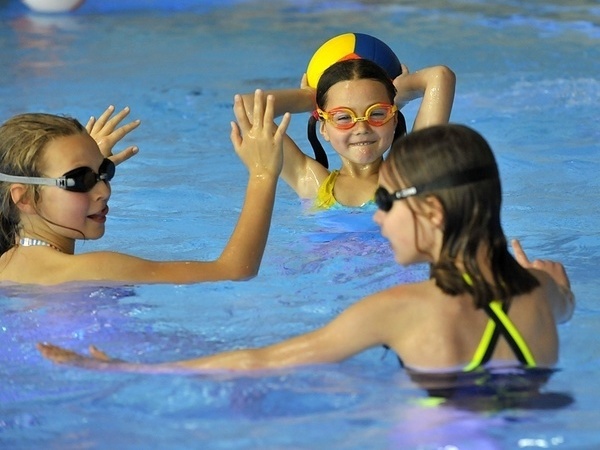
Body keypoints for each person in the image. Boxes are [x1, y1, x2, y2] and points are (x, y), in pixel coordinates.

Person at [37, 124, 575, 374]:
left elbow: (261, 360)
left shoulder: (402, 312)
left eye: (386, 200)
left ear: (432, 212)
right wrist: (555, 286)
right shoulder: (540, 292)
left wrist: (132, 370)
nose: (379, 216)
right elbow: (564, 300)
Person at [0, 90, 290, 285]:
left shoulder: (7, 268)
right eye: (80, 180)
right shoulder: (95, 271)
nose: (104, 191)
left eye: (105, 172)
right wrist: (263, 173)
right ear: (24, 198)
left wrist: (86, 166)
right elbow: (235, 271)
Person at [240, 58, 455, 210]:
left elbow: (440, 77)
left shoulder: (410, 173)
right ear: (324, 128)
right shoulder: (312, 183)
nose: (362, 128)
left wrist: (397, 93)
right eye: (343, 117)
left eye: (377, 113)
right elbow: (249, 107)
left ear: (394, 118)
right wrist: (311, 98)